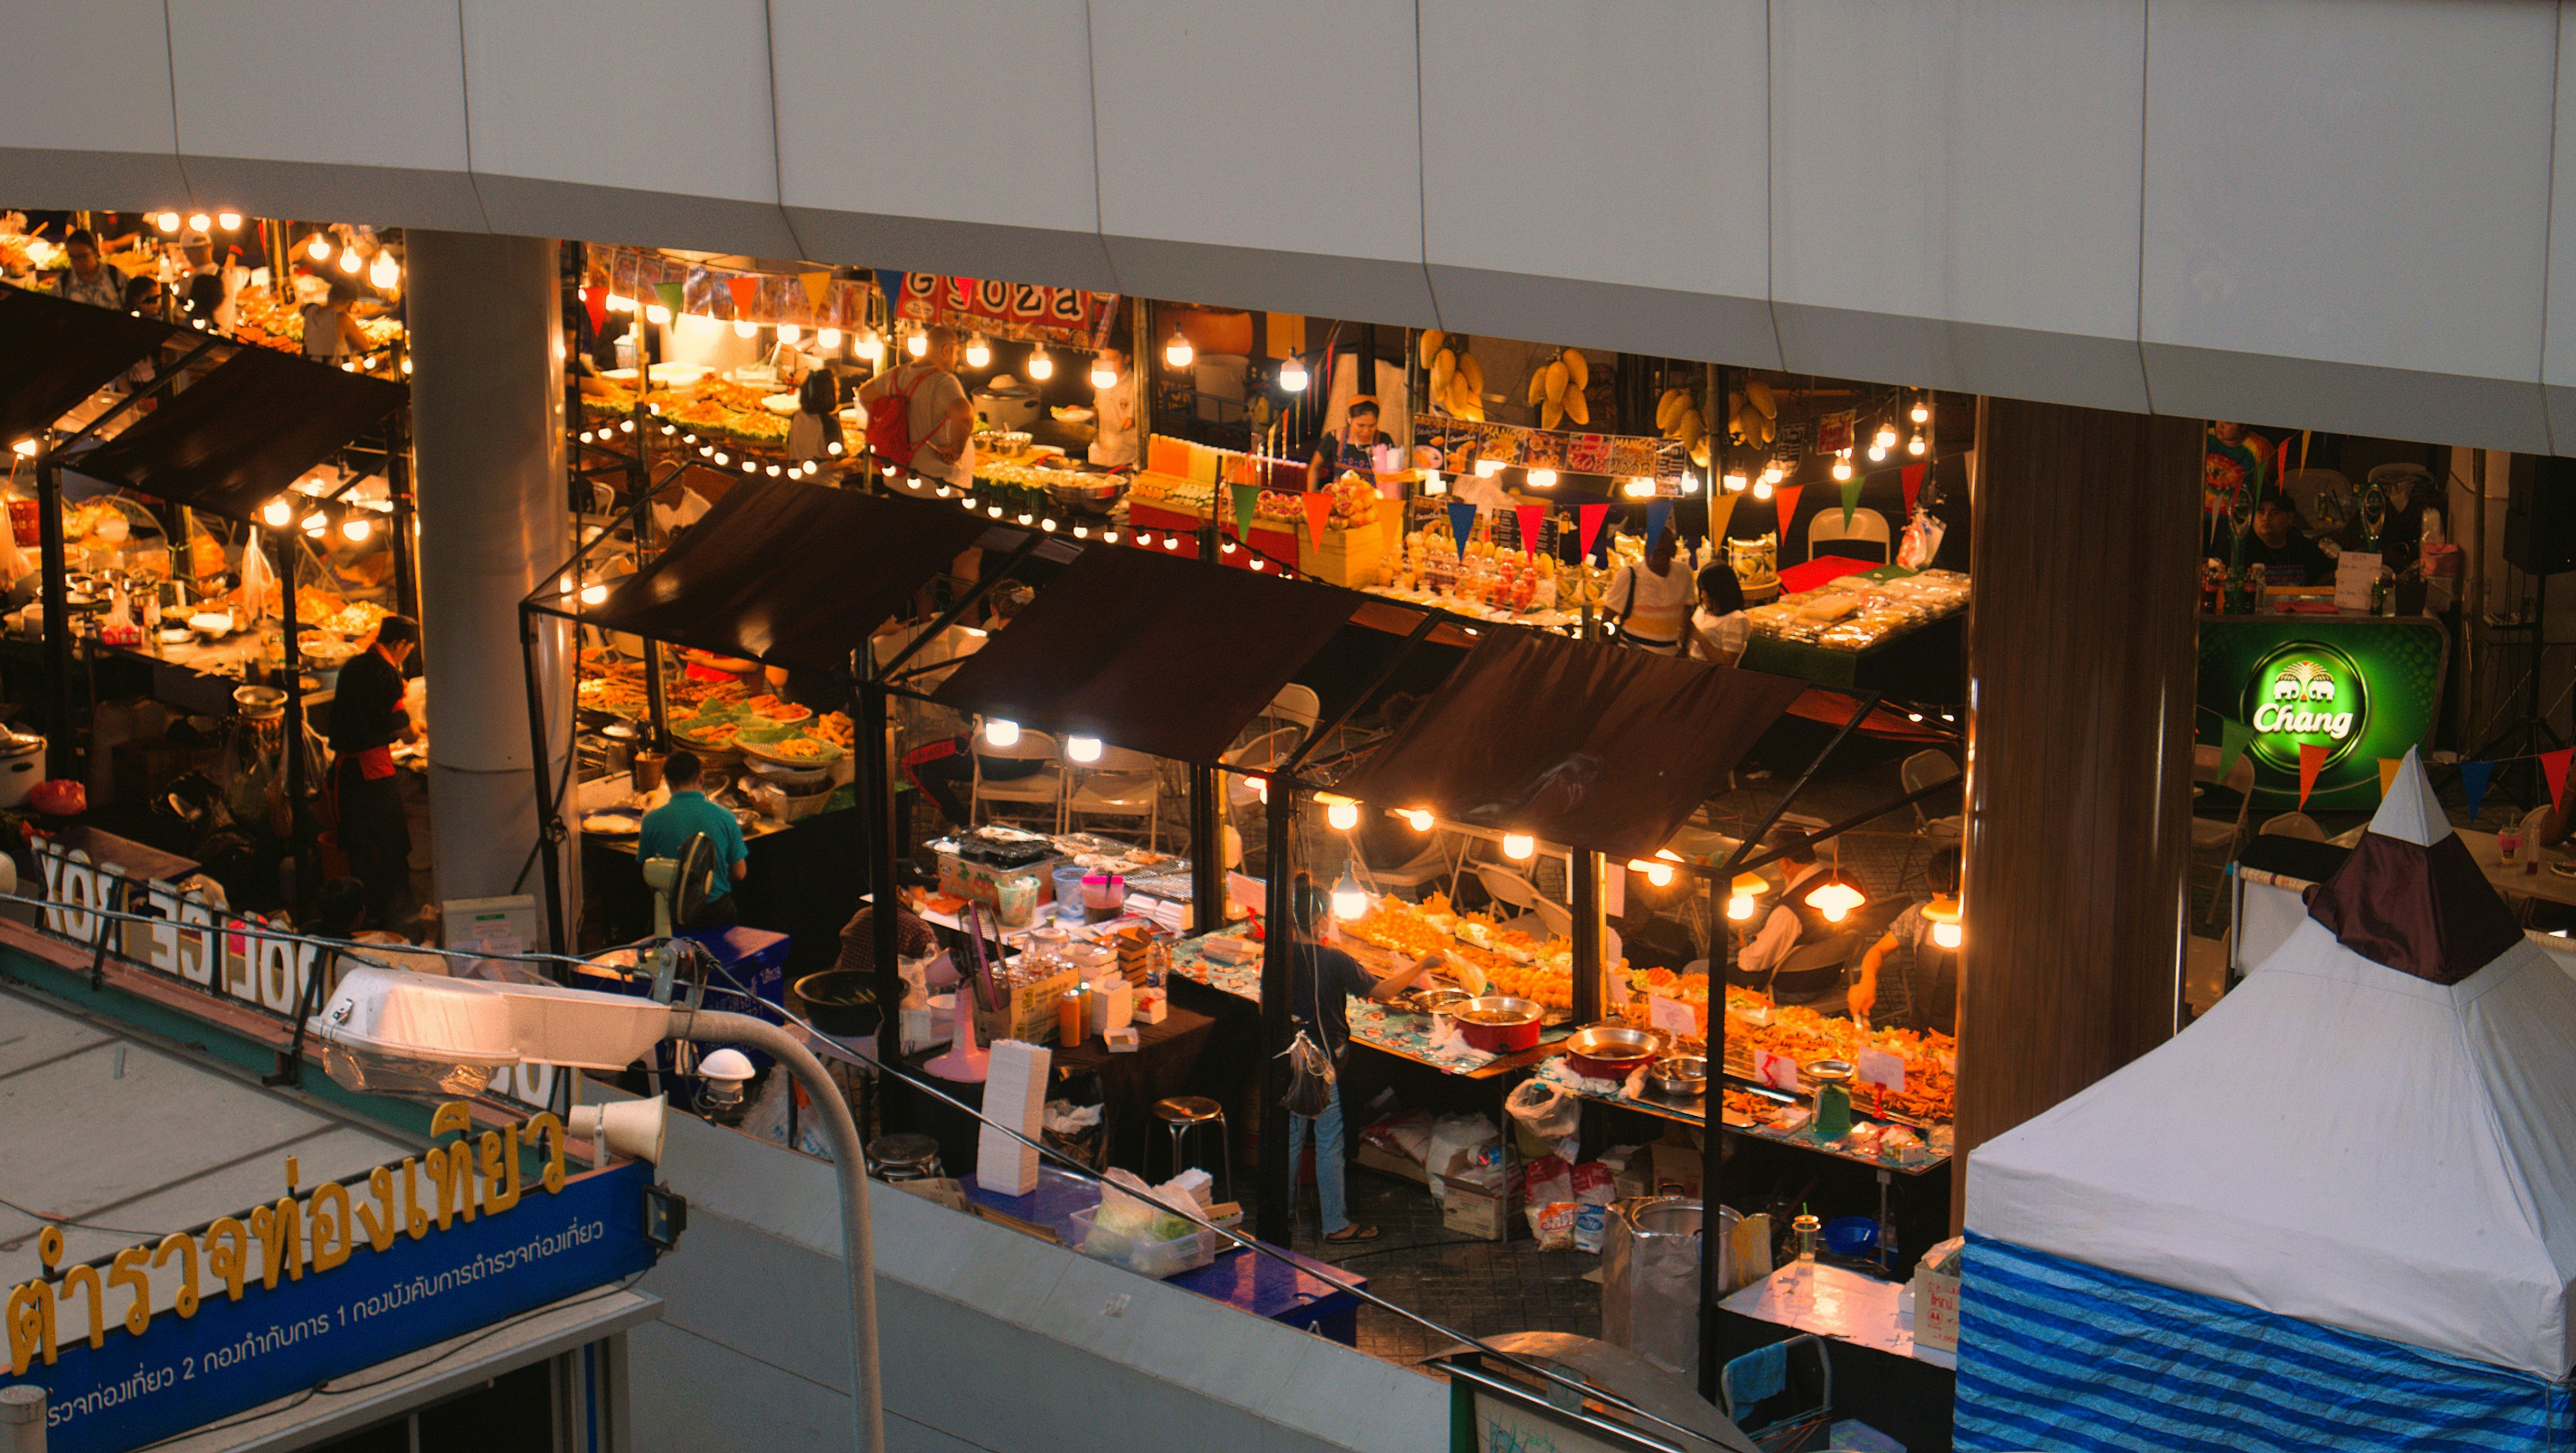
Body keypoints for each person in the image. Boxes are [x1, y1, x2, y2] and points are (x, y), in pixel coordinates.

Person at [1283, 871, 1434, 1246]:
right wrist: (1422, 966)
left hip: (1288, 1056)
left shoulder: (1279, 955)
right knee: (1329, 1140)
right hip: (1321, 1063)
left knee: (1290, 1138)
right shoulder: (1334, 959)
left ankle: (1282, 1211)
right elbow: (1381, 990)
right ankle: (1335, 1225)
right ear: (1320, 919)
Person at [326, 615, 419, 932]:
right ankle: (399, 922)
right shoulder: (386, 674)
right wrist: (417, 728)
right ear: (399, 644)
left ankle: (364, 918)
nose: (407, 654)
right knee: (393, 848)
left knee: (359, 851)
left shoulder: (353, 666)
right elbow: (406, 734)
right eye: (408, 649)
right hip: (373, 775)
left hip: (346, 773)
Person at [1849, 847, 1960, 1034]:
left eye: (1955, 894)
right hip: (1922, 1027)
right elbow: (1878, 951)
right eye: (1939, 892)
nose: (1945, 901)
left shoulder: (1989, 925)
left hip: (1971, 1034)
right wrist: (1868, 980)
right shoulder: (1919, 916)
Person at [637, 751, 749, 926]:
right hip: (716, 914)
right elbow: (740, 873)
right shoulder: (725, 816)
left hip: (670, 918)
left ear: (667, 782)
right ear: (701, 778)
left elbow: (649, 875)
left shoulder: (651, 820)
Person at [1729, 832, 1841, 1001]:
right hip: (1832, 978)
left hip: (1792, 988)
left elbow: (1752, 963)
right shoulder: (1843, 888)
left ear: (1784, 863)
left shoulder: (1790, 910)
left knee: (1697, 968)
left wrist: (1744, 949)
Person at [860, 325, 973, 490]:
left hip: (896, 481)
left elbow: (865, 395)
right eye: (956, 353)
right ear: (946, 351)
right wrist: (956, 449)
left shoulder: (895, 375)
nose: (956, 359)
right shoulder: (944, 381)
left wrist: (888, 422)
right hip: (937, 485)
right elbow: (963, 416)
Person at [899, 724, 1045, 828]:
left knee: (912, 763)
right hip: (1030, 763)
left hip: (986, 759)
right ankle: (1007, 815)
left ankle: (964, 823)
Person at [834, 861, 939, 982]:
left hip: (840, 988)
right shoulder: (917, 928)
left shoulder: (862, 914)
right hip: (879, 996)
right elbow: (937, 974)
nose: (924, 892)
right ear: (899, 891)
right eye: (919, 886)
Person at [1603, 528, 1699, 656]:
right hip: (1634, 655)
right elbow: (1606, 620)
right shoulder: (1629, 575)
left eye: (1660, 551)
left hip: (1670, 657)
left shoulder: (1684, 574)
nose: (1653, 556)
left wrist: (1684, 649)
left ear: (1673, 551)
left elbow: (1687, 614)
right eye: (1649, 549)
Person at [2229, 495, 2335, 586]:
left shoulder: (2302, 547)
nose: (2266, 518)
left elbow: (2328, 575)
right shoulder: (2241, 549)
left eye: (2275, 513)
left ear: (2289, 518)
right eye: (2261, 512)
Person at [1309, 397, 1401, 485]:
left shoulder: (1384, 440)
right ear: (1350, 419)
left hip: (1374, 499)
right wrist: (1311, 496)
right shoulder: (1334, 438)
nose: (1366, 431)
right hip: (1342, 499)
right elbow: (1314, 467)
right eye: (1361, 426)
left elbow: (1395, 476)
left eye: (1372, 426)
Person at [1087, 344, 1138, 469]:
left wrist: (1133, 421)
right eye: (1105, 360)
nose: (1108, 365)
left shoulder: (1135, 384)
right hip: (1101, 456)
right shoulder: (1101, 377)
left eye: (1113, 360)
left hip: (1127, 457)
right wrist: (1081, 411)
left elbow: (1145, 419)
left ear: (1126, 359)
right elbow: (1099, 411)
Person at [1691, 562, 1750, 666]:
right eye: (1701, 590)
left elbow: (1727, 664)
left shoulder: (1735, 619)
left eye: (1706, 590)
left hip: (1712, 673)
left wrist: (1698, 636)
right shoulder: (1702, 610)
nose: (1702, 596)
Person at [50, 229, 124, 310]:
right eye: (73, 258)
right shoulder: (62, 283)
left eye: (83, 257)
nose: (78, 262)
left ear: (95, 253)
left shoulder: (115, 277)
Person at [787, 368, 846, 467]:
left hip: (799, 477)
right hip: (823, 480)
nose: (838, 394)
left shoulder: (796, 416)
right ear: (826, 394)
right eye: (836, 390)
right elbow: (834, 464)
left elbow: (789, 449)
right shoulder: (830, 423)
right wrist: (857, 459)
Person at [302, 278, 368, 361]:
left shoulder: (311, 312)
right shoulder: (342, 319)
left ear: (329, 296)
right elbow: (365, 347)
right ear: (351, 303)